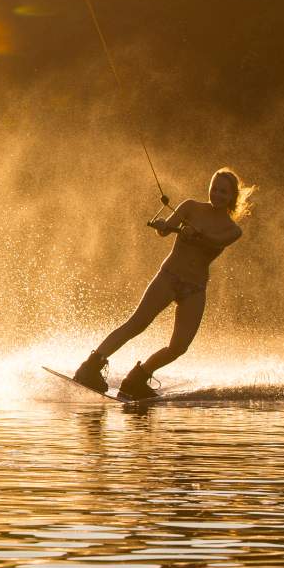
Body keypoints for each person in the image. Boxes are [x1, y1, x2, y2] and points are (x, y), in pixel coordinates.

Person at [73, 168, 254, 400]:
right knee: (137, 323)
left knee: (179, 347)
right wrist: (163, 226)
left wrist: (195, 234)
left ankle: (137, 378)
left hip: (195, 288)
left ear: (232, 197)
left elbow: (214, 241)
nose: (217, 194)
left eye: (223, 192)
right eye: (214, 189)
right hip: (169, 277)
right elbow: (165, 231)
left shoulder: (232, 230)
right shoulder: (190, 207)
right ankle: (90, 367)